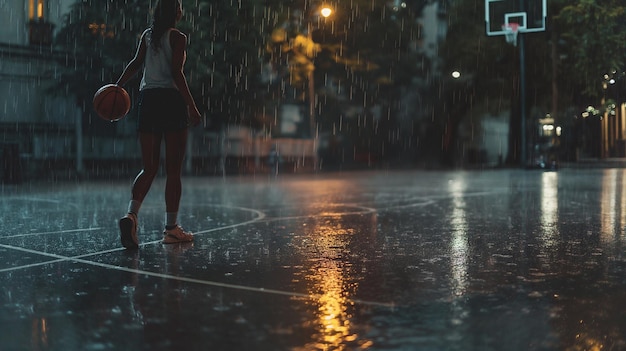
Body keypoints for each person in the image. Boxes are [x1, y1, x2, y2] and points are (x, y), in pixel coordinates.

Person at [115, 0, 201, 249]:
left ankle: (131, 214)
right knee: (173, 169)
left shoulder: (147, 35)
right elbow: (176, 73)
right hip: (170, 101)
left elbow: (135, 63)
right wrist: (191, 105)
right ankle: (171, 229)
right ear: (177, 12)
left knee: (149, 167)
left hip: (148, 100)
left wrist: (116, 86)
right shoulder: (178, 38)